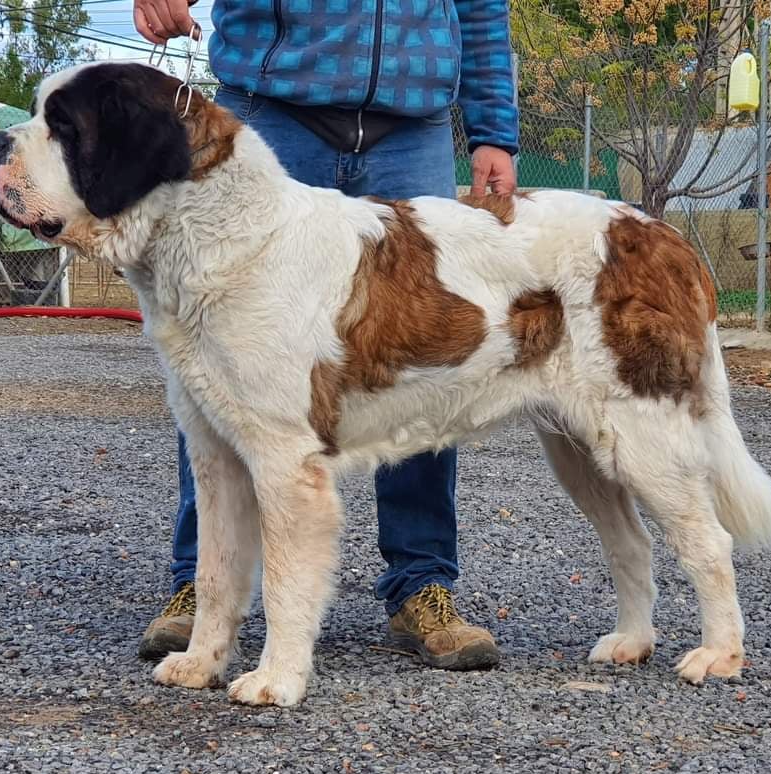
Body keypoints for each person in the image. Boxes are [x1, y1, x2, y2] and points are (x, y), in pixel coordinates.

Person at [133, 0, 519, 670]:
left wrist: (493, 132)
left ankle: (421, 584)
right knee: (220, 357)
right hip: (273, 110)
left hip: (413, 125)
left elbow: (481, 6)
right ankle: (203, 587)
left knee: (424, 351)